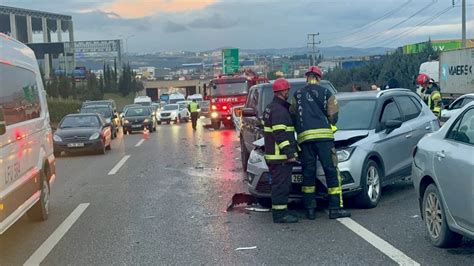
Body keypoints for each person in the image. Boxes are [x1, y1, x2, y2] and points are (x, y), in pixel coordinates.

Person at [290, 66, 351, 220]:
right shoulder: (326, 93)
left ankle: (310, 210)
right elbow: (333, 116)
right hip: (324, 139)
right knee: (331, 171)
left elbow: (292, 114)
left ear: (307, 77)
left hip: (305, 140)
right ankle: (335, 209)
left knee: (308, 174)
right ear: (319, 78)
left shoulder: (297, 94)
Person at [263, 78, 299, 223]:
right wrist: (289, 153)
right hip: (279, 157)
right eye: (287, 91)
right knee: (281, 186)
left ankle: (281, 211)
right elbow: (280, 134)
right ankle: (280, 215)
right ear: (283, 91)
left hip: (275, 155)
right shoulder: (279, 110)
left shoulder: (271, 107)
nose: (288, 93)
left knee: (280, 185)